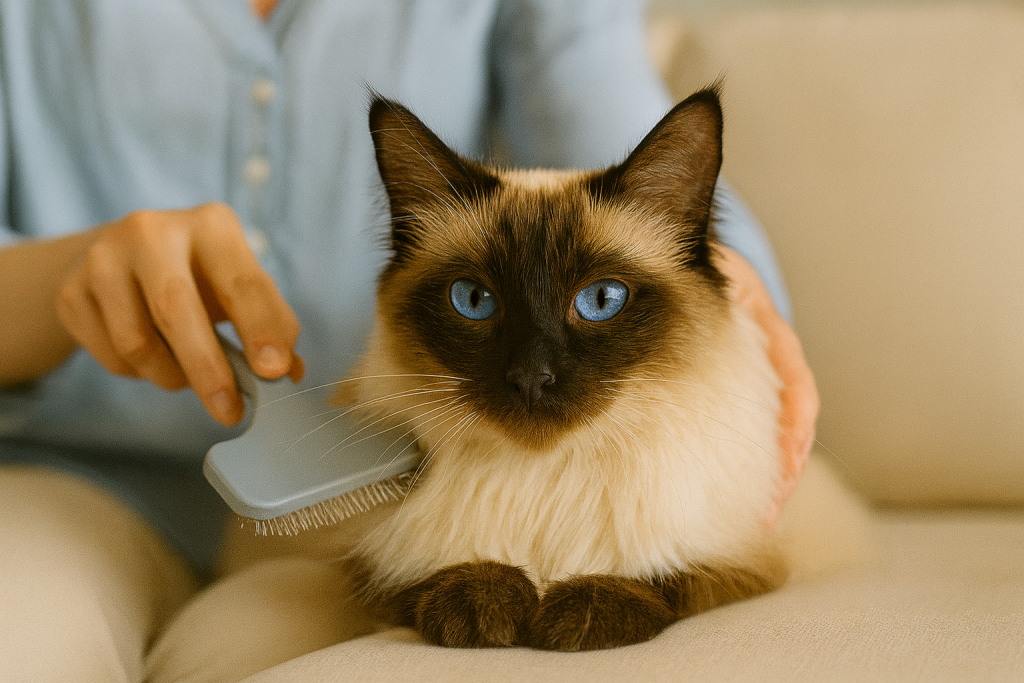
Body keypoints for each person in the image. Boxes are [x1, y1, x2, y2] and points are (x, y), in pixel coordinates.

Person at [0, 0, 818, 680]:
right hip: (84, 480)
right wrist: (68, 270)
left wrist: (725, 287)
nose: (535, 369)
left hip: (382, 477)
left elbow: (619, 125)